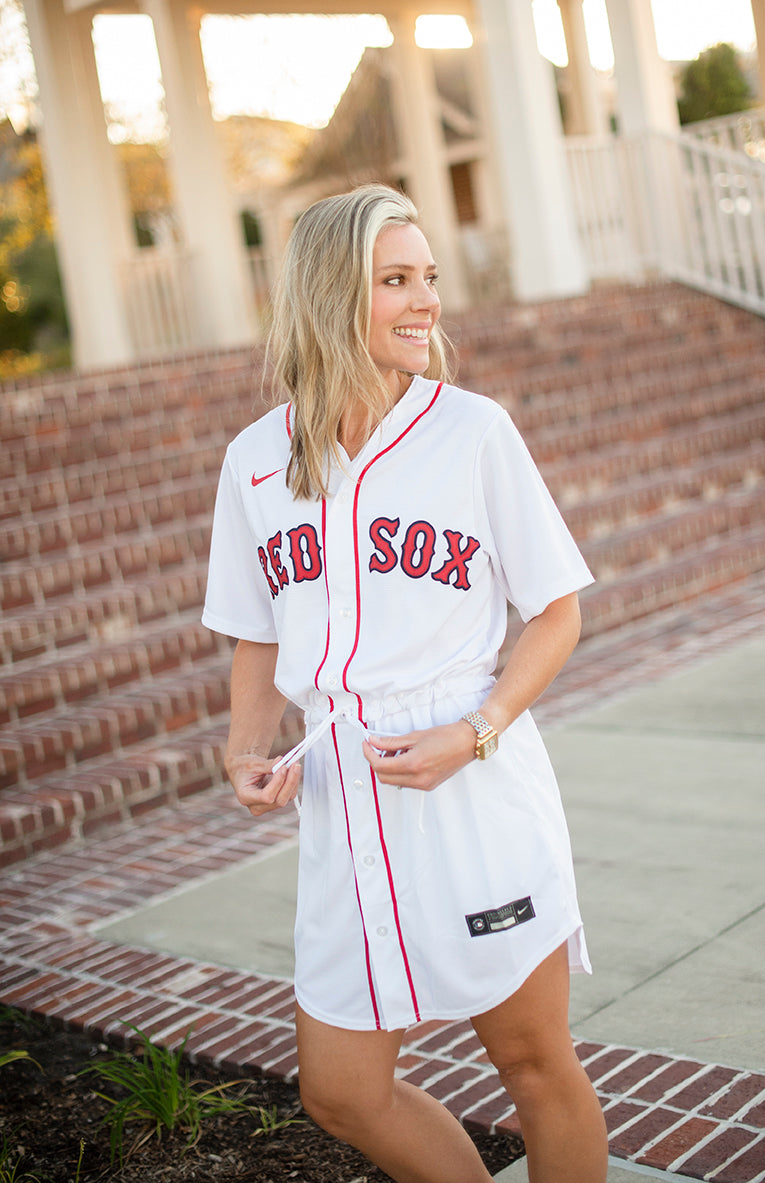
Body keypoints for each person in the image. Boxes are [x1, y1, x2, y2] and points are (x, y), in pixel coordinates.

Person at [202, 184, 608, 1183]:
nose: (425, 300)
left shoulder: (472, 432)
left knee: (533, 1063)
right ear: (331, 293)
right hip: (342, 790)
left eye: (427, 278)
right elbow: (257, 633)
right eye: (396, 280)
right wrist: (246, 749)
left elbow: (556, 612)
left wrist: (480, 727)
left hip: (465, 774)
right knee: (339, 1086)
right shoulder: (257, 459)